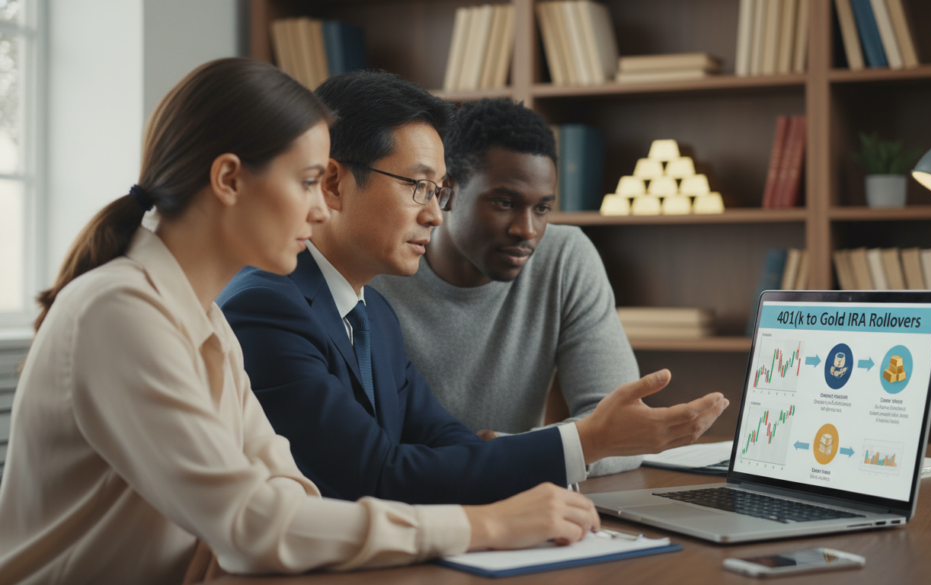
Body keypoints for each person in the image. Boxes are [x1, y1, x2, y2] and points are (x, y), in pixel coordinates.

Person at [0, 59, 602, 585]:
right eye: (309, 181)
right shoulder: (119, 310)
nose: (321, 207)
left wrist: (257, 536)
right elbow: (253, 522)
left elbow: (283, 490)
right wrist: (483, 525)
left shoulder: (204, 320)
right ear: (230, 179)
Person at [217, 70, 730, 507]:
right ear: (332, 183)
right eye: (418, 187)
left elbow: (446, 440)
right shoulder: (266, 307)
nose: (433, 213)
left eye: (437, 191)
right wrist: (583, 441)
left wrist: (537, 479)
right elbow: (373, 476)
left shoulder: (370, 310)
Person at [373, 98, 686, 477]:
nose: (527, 230)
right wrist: (517, 454)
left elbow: (621, 431)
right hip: (407, 499)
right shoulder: (378, 266)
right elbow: (366, 454)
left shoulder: (565, 256)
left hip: (518, 497)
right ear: (447, 191)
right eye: (505, 203)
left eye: (542, 209)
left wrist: (504, 451)